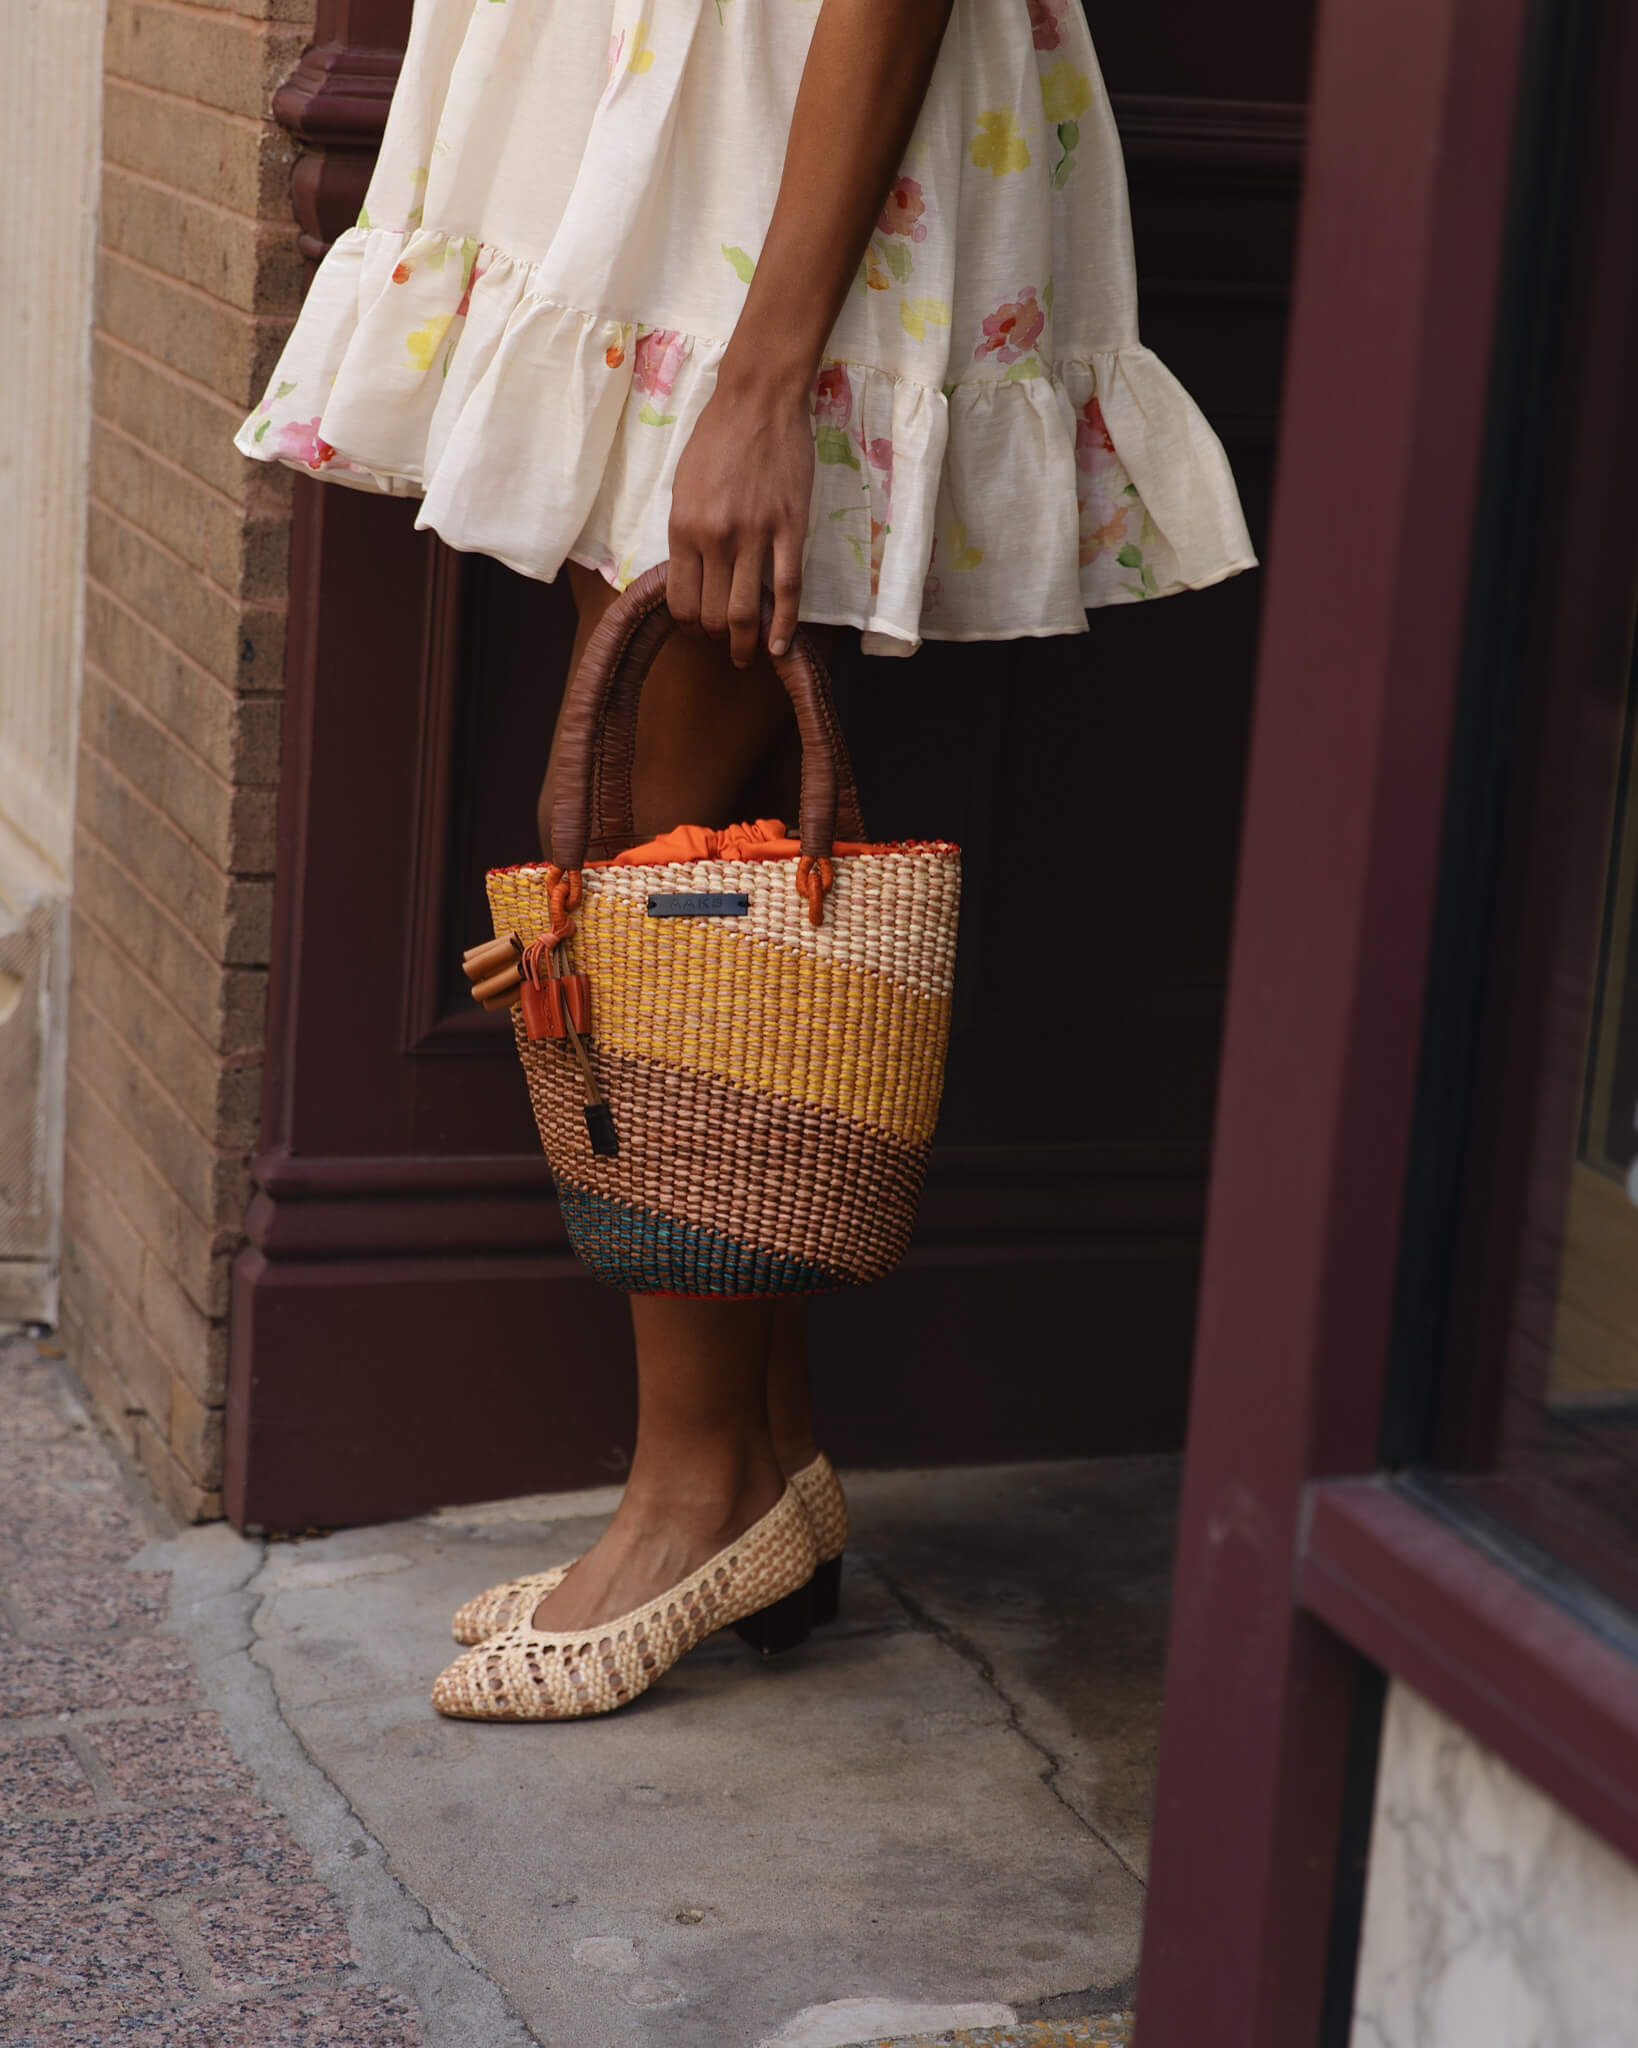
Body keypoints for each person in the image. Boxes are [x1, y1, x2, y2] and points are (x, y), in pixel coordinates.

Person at [237, 0, 1254, 1721]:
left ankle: (690, 1492)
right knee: (674, 800)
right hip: (642, 98)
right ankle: (763, 1465)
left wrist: (766, 378)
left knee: (659, 804)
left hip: (771, 117)